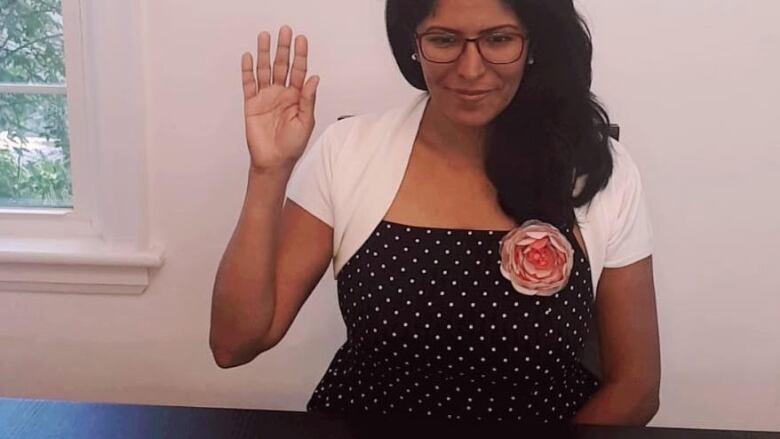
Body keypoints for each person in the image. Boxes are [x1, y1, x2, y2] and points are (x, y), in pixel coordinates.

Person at [209, 0, 661, 427]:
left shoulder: (600, 170)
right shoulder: (348, 152)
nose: (469, 69)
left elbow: (637, 387)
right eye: (444, 40)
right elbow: (235, 343)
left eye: (499, 39)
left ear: (534, 42)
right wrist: (268, 174)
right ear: (413, 42)